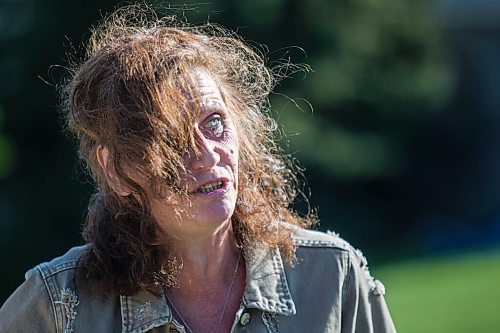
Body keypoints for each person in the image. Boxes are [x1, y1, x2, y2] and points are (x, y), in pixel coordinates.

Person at [0, 6, 396, 333]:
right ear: (116, 169)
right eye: (169, 137)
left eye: (214, 121)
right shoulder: (56, 307)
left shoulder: (332, 278)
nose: (207, 154)